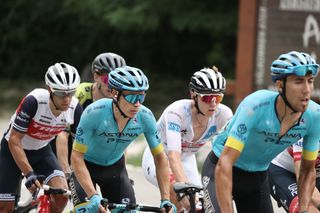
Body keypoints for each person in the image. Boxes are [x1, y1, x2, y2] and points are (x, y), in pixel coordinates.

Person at [201, 51, 320, 213]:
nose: (307, 90)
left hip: (257, 177)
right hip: (221, 169)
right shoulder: (255, 106)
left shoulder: (314, 116)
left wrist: (304, 210)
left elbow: (307, 171)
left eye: (310, 81)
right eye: (298, 82)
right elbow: (226, 162)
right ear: (280, 85)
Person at [70, 66, 176, 212]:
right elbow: (76, 156)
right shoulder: (93, 112)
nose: (137, 104)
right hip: (87, 167)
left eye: (141, 97)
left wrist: (166, 199)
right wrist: (93, 195)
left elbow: (160, 158)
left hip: (115, 170)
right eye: (132, 97)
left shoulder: (145, 116)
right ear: (114, 93)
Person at [142, 67, 233, 211]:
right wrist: (184, 190)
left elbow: (228, 151)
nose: (213, 103)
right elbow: (173, 156)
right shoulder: (177, 112)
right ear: (194, 95)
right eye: (208, 97)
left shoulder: (224, 114)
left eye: (218, 98)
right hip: (159, 159)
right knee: (178, 193)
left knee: (201, 205)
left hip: (187, 160)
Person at [0, 62, 83, 212]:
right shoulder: (34, 101)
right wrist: (29, 173)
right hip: (13, 151)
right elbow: (14, 140)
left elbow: (80, 148)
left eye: (70, 93)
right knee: (4, 208)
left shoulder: (75, 109)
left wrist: (76, 175)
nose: (67, 99)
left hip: (41, 151)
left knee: (61, 196)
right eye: (61, 93)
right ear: (50, 89)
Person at [52, 52, 126, 175]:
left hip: (93, 148)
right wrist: (64, 169)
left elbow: (121, 139)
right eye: (107, 79)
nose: (112, 85)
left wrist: (123, 172)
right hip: (70, 141)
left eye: (117, 80)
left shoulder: (122, 98)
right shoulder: (80, 93)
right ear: (96, 76)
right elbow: (62, 134)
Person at [269, 140, 320, 213]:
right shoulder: (311, 132)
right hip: (285, 171)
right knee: (308, 209)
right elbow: (305, 176)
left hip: (314, 173)